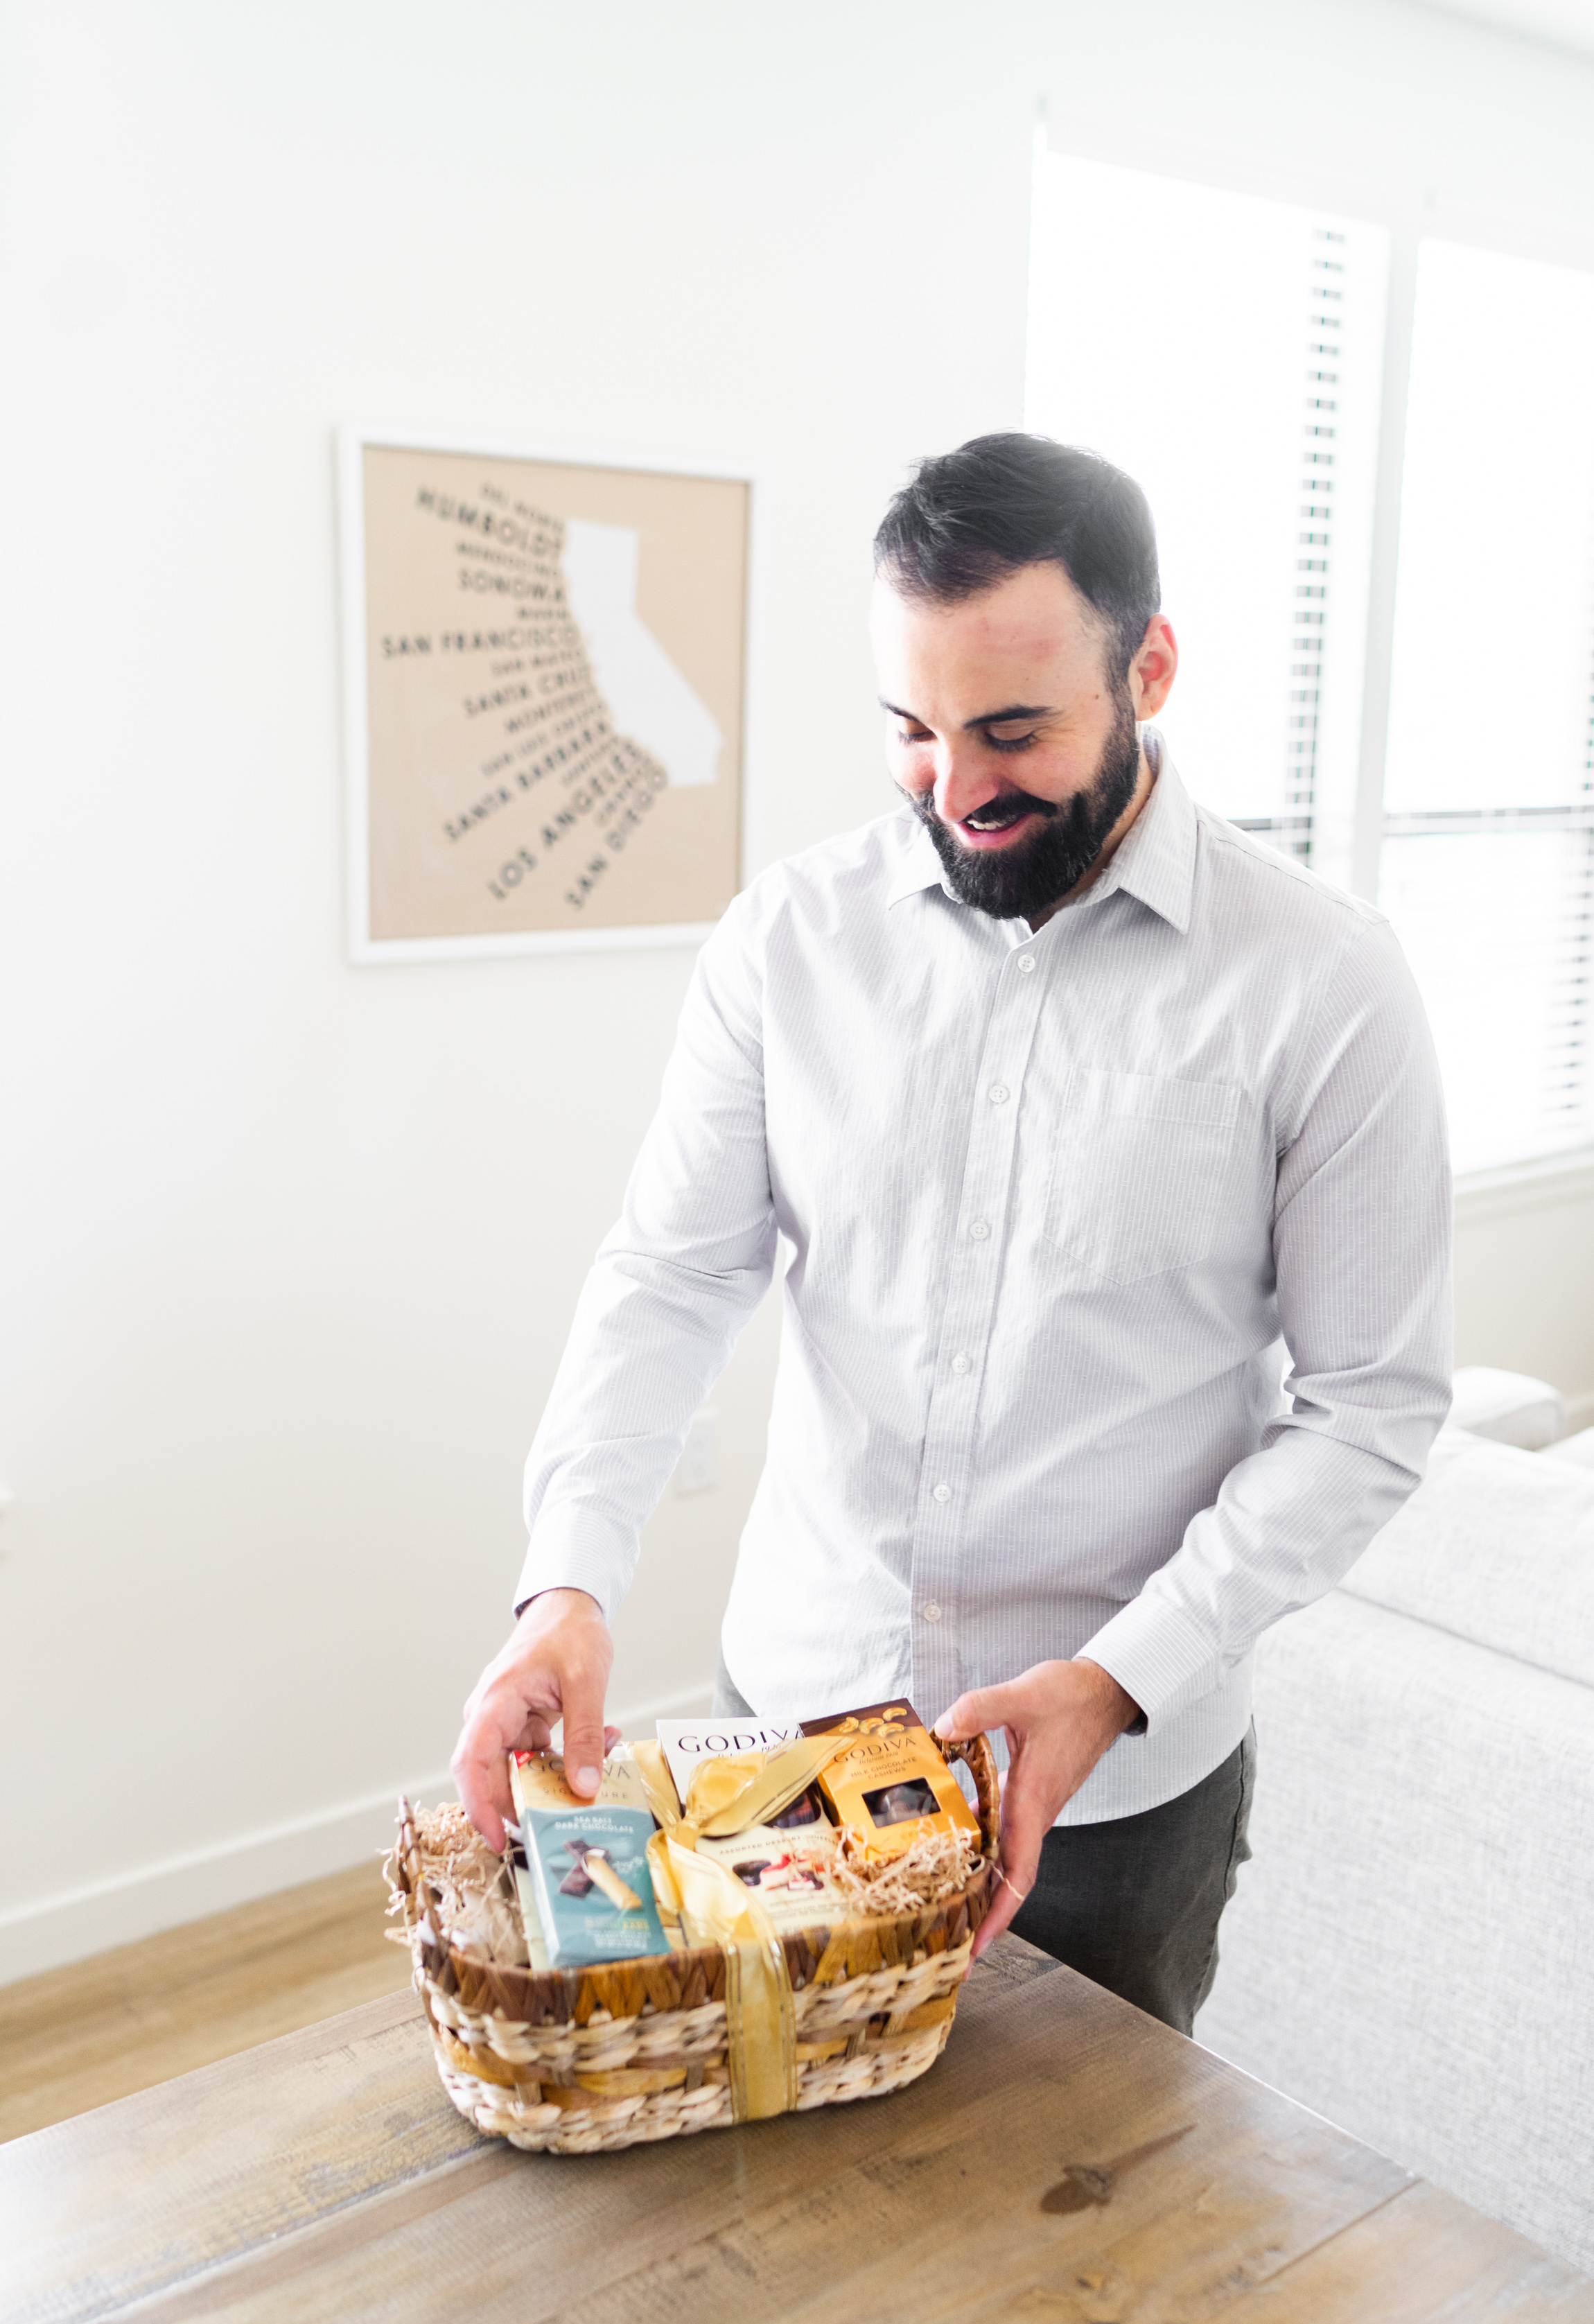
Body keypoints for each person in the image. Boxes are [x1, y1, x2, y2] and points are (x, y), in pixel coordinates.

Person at [453, 433, 1451, 2034]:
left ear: (1153, 667)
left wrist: (1114, 1681)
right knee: (774, 2197)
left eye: (1012, 730)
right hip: (784, 1736)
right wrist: (564, 1583)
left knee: (1080, 2258)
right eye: (911, 732)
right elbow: (673, 1277)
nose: (956, 787)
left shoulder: (1322, 986)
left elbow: (1371, 1410)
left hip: (1111, 1789)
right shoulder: (787, 940)